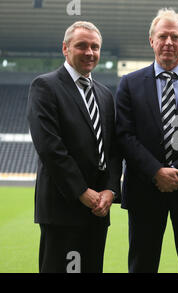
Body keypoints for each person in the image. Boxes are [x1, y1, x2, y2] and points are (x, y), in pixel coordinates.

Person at [115, 8, 178, 273]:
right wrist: (156, 171)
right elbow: (125, 135)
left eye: (175, 36)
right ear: (151, 40)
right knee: (142, 265)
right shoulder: (129, 84)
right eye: (163, 36)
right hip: (144, 190)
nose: (169, 42)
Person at [27, 21, 122, 273]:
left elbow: (113, 149)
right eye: (82, 46)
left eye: (95, 47)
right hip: (63, 208)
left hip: (98, 209)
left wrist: (110, 190)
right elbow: (50, 147)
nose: (89, 52)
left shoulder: (104, 95)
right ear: (65, 48)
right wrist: (81, 191)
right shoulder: (45, 87)